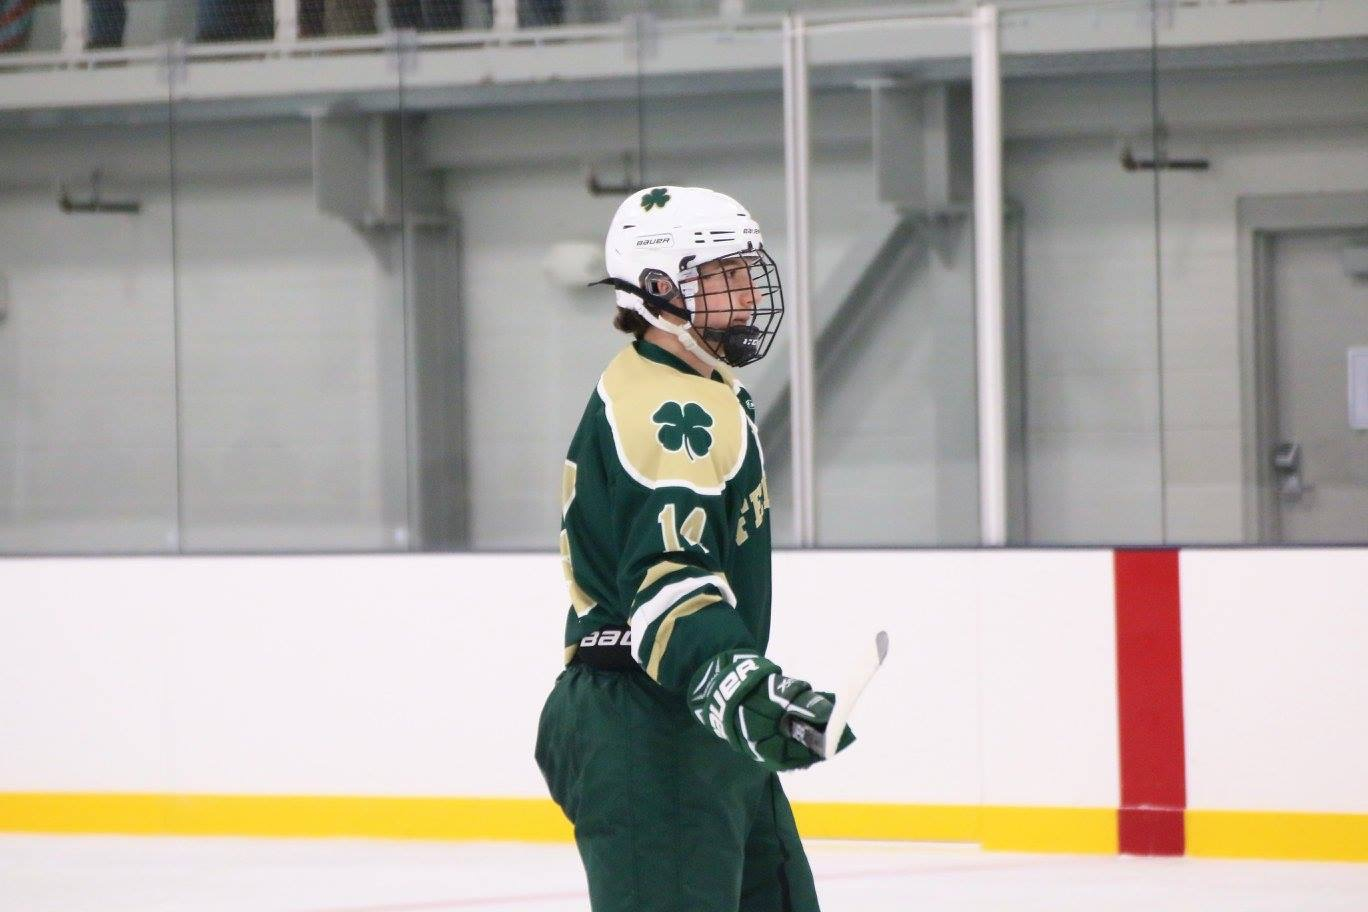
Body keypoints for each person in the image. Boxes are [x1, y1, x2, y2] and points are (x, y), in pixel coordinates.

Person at [535, 185, 855, 912]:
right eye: (721, 276)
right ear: (657, 289)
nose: (745, 293)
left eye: (746, 270)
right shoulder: (670, 412)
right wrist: (738, 684)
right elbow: (665, 582)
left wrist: (735, 688)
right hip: (647, 726)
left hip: (688, 720)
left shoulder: (693, 387)